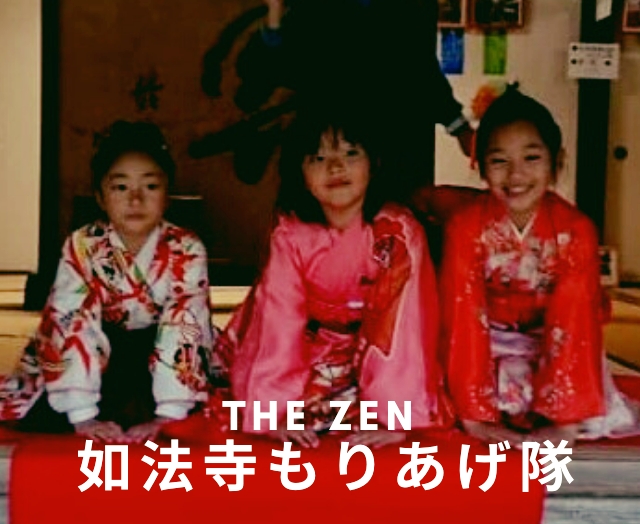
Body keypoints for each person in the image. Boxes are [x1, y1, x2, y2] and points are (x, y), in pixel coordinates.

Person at [215, 103, 441, 448]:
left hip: (372, 345)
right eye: (318, 158)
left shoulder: (397, 233)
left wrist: (396, 417)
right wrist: (272, 414)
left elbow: (403, 325)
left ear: (374, 162)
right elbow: (278, 318)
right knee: (259, 404)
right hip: (309, 343)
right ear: (300, 173)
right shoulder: (291, 233)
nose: (335, 167)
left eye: (351, 153)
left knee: (368, 409)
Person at [438, 88, 638, 447]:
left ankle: (565, 409)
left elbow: (574, 319)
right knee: (449, 401)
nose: (516, 174)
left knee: (581, 411)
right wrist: (474, 414)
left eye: (531, 157)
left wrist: (565, 419)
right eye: (499, 160)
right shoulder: (465, 227)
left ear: (556, 162)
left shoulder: (575, 230)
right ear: (480, 165)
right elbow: (462, 316)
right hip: (486, 344)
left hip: (551, 343)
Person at [0, 121, 213, 443]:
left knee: (197, 409)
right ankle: (80, 400)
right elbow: (71, 318)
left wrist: (169, 413)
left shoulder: (186, 247)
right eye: (120, 187)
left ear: (167, 195)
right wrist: (82, 414)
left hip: (159, 353)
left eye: (150, 186)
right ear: (100, 197)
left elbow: (186, 322)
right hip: (99, 355)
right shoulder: (84, 244)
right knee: (51, 408)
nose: (136, 199)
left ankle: (170, 402)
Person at [228, 0, 474, 196]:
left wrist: (459, 127)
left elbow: (421, 71)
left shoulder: (405, 8)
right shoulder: (310, 9)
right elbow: (265, 68)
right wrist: (274, 17)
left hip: (392, 144)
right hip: (329, 142)